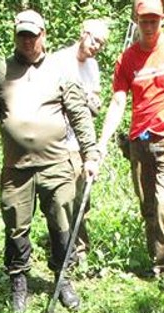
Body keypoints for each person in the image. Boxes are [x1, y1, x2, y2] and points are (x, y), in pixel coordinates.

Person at [0, 10, 102, 313]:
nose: (28, 41)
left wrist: (90, 154)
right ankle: (19, 280)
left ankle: (63, 278)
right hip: (15, 167)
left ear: (44, 35)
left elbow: (79, 114)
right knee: (15, 224)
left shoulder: (60, 72)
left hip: (56, 163)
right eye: (23, 35)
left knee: (61, 220)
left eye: (33, 35)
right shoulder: (0, 72)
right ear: (16, 36)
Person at [97, 0, 164, 292]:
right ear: (136, 19)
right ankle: (155, 259)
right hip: (139, 141)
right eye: (144, 20)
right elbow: (118, 101)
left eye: (154, 20)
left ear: (163, 19)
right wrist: (103, 140)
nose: (149, 26)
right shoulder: (127, 59)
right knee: (147, 204)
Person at [49, 19, 111, 268]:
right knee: (61, 197)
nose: (96, 46)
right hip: (58, 140)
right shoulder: (59, 60)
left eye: (101, 44)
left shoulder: (93, 66)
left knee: (82, 195)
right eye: (94, 40)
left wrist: (91, 101)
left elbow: (95, 101)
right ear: (83, 34)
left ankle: (79, 247)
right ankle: (64, 248)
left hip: (81, 141)